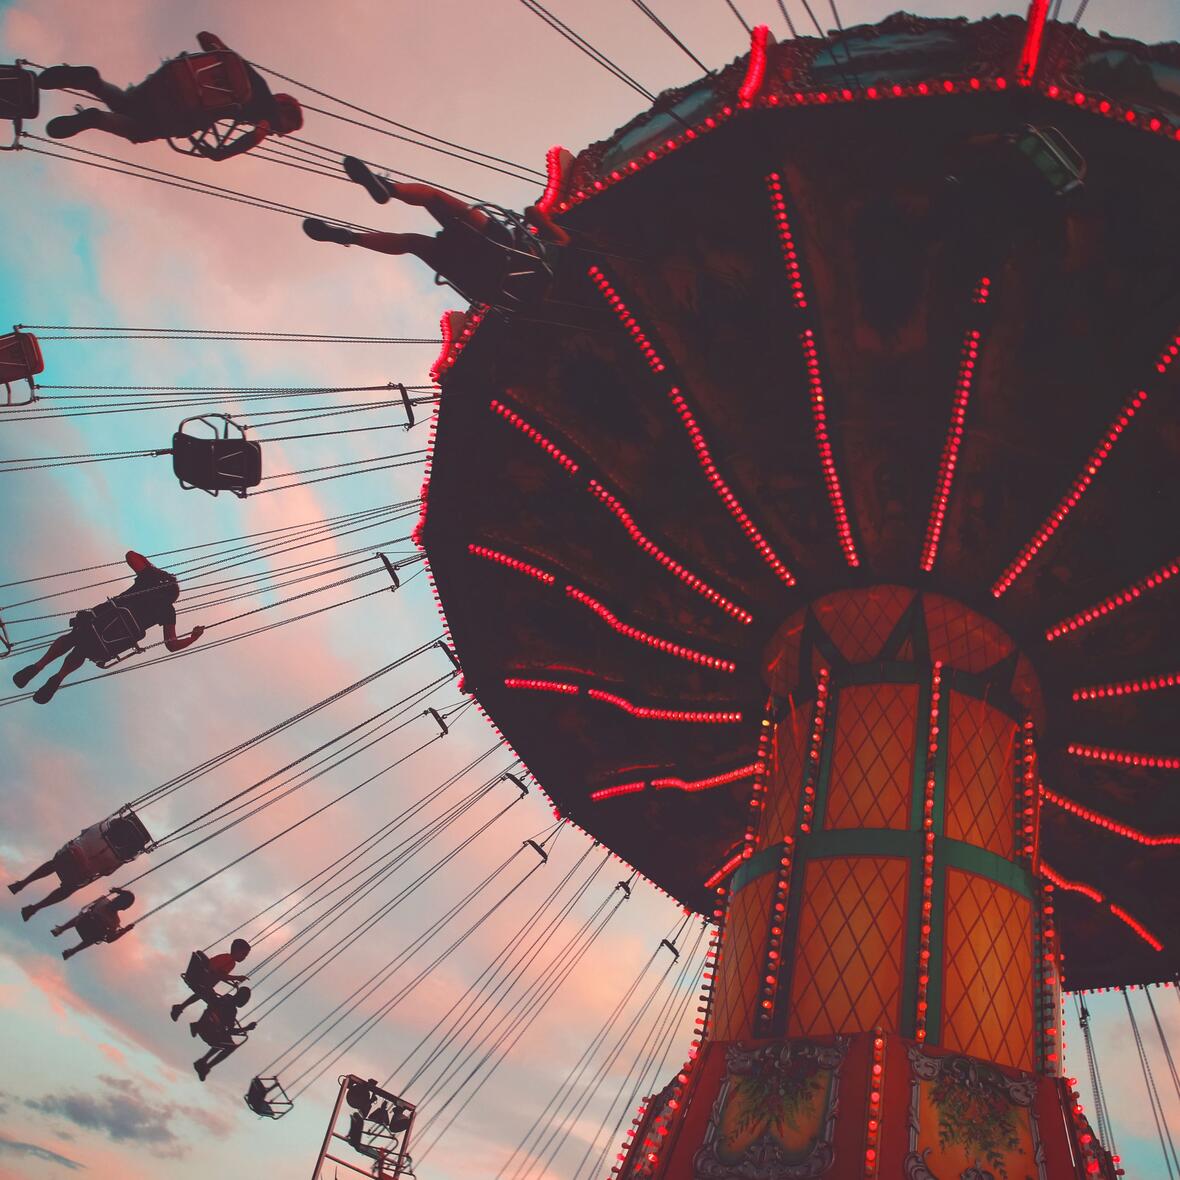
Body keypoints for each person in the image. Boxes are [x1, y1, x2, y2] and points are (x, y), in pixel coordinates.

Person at [301, 156, 570, 306]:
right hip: (486, 284)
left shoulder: (563, 245)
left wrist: (543, 219)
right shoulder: (549, 285)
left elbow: (533, 213)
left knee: (435, 199)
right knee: (412, 243)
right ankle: (352, 237)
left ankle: (388, 191)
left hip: (508, 252)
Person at [37, 31, 302, 160]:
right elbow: (256, 134)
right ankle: (94, 118)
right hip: (181, 113)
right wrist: (222, 154)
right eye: (282, 128)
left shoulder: (248, 74)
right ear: (282, 107)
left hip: (168, 81)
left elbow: (205, 37)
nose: (276, 132)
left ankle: (92, 82)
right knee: (138, 131)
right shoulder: (265, 110)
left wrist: (223, 54)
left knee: (127, 104)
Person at [11, 550, 204, 703]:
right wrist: (193, 638)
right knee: (83, 652)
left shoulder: (150, 579)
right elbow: (171, 645)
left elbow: (131, 555)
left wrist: (155, 570)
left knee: (73, 638)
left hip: (100, 620)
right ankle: (60, 677)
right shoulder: (168, 610)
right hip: (110, 642)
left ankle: (39, 665)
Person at [10, 813, 151, 921]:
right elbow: (106, 872)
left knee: (54, 863)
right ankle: (35, 908)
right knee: (67, 890)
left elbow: (83, 833)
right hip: (77, 874)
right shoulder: (116, 858)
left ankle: (22, 883)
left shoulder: (99, 831)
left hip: (68, 856)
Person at [170, 938, 251, 1021]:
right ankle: (202, 1024)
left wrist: (232, 981)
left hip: (203, 981)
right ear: (237, 950)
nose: (244, 957)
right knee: (216, 1002)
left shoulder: (227, 958)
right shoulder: (229, 961)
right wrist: (237, 978)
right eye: (243, 954)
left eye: (245, 956)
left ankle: (180, 1008)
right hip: (203, 980)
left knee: (202, 993)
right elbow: (220, 975)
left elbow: (219, 974)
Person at [192, 987, 256, 1081]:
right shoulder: (232, 1010)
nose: (245, 1002)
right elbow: (230, 1030)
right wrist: (247, 1028)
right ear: (240, 997)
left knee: (226, 1039)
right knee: (230, 1046)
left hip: (205, 1024)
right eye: (245, 1000)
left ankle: (203, 1061)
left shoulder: (225, 997)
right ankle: (207, 1066)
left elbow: (212, 1007)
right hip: (209, 1031)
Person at [51, 888, 134, 959]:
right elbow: (110, 939)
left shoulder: (103, 901)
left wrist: (124, 930)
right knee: (95, 935)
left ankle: (61, 929)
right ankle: (72, 950)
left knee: (85, 918)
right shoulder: (115, 921)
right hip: (88, 931)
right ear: (124, 908)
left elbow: (109, 939)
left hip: (83, 925)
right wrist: (124, 931)